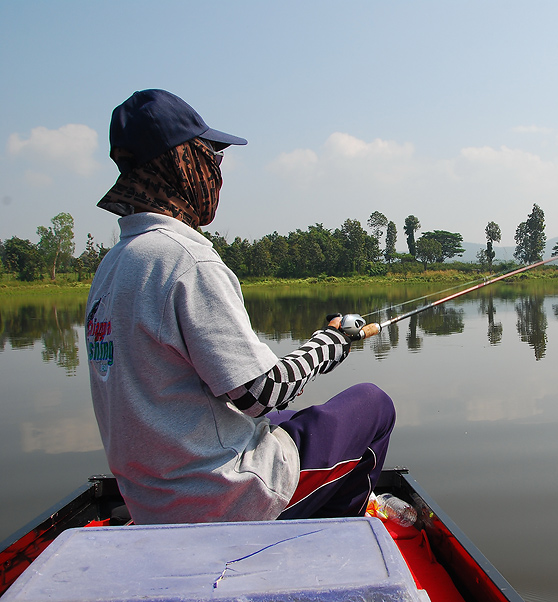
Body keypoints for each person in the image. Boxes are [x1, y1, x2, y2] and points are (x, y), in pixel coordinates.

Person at [85, 89, 395, 525]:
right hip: (219, 501)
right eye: (211, 158)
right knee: (373, 404)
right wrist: (330, 343)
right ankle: (332, 533)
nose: (217, 174)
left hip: (151, 502)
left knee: (293, 418)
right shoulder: (184, 259)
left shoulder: (112, 267)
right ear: (181, 163)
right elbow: (260, 394)